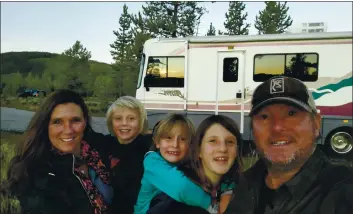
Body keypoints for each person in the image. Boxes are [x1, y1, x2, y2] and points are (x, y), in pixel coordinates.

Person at [224, 76, 353, 214]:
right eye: (264, 117)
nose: (277, 127)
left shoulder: (343, 191)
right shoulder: (242, 185)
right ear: (252, 129)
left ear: (316, 123)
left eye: (291, 114)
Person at [2, 89, 116, 214]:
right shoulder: (36, 173)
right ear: (46, 126)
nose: (68, 130)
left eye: (75, 120)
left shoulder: (96, 152)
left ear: (85, 122)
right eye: (57, 122)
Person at [148, 115, 244, 214]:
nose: (223, 148)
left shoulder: (243, 190)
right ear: (198, 150)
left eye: (230, 142)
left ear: (237, 150)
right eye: (213, 141)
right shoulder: (176, 197)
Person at [135, 113, 214, 214]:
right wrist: (211, 205)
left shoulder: (188, 163)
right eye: (168, 138)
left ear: (190, 144)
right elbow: (181, 187)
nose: (175, 144)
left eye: (182, 139)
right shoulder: (152, 161)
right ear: (157, 142)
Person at [105, 96, 153, 214]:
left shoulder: (149, 147)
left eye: (131, 118)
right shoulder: (103, 144)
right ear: (111, 122)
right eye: (118, 118)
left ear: (141, 121)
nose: (124, 123)